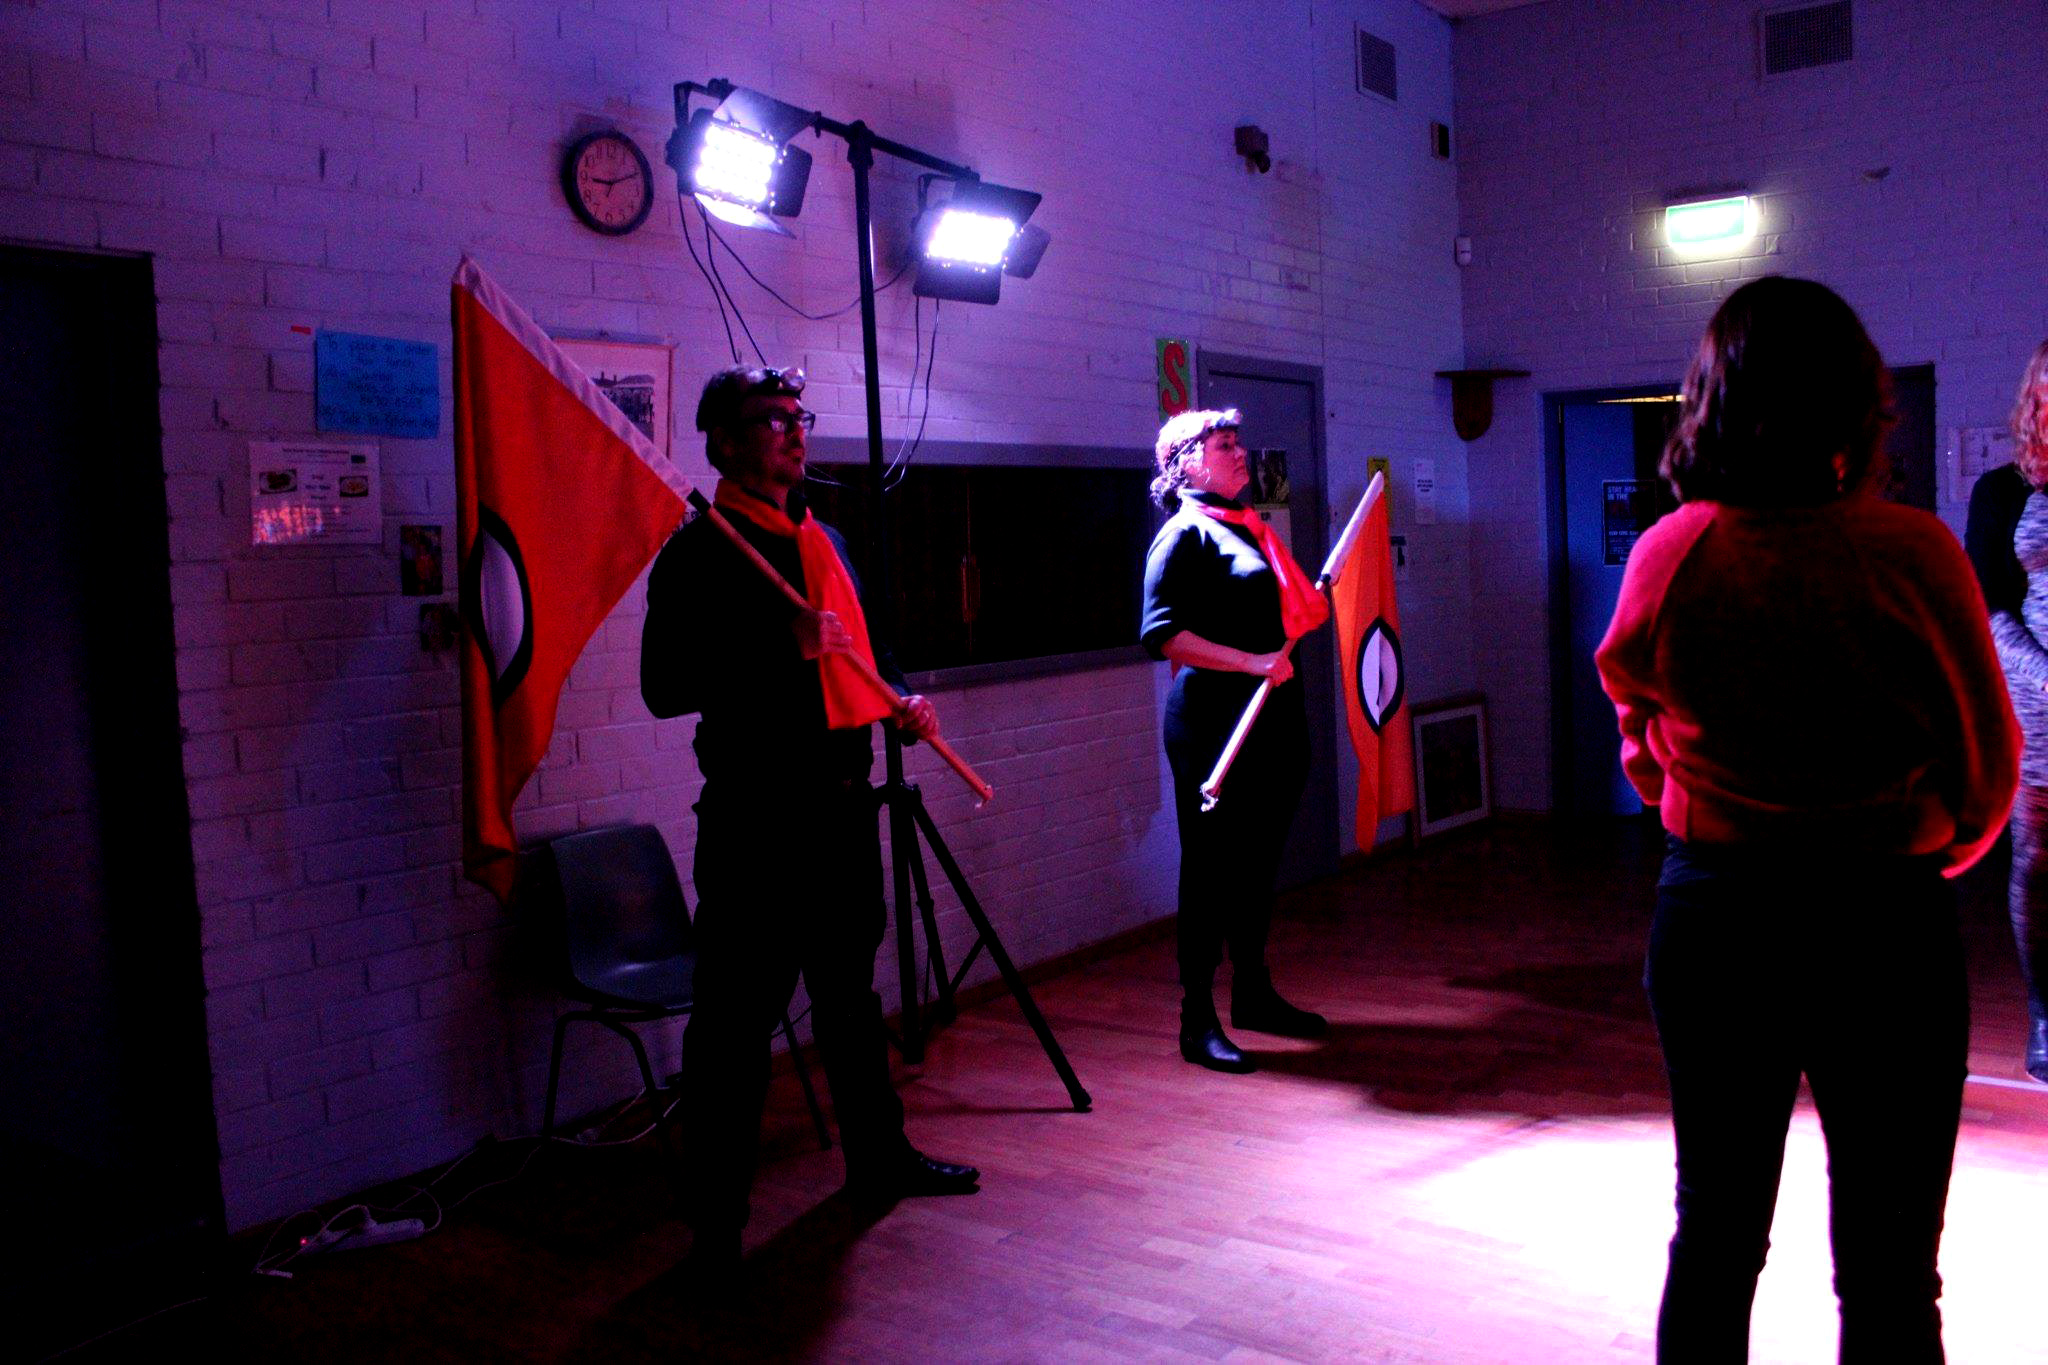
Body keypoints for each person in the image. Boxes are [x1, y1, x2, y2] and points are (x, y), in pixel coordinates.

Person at [1595, 277, 2020, 1363]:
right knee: (1890, 1269)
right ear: (1854, 398)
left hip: (1715, 918)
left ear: (1713, 396)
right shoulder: (1913, 550)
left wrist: (1697, 805)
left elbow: (1635, 721)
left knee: (1714, 1235)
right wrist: (1926, 849)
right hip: (1884, 926)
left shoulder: (1671, 550)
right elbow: (1987, 761)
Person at [640, 365, 979, 1278]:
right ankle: (716, 1229)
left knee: (850, 1001)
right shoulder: (701, 551)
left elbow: (864, 653)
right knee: (734, 1028)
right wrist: (773, 646)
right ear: (723, 442)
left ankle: (879, 1160)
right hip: (756, 820)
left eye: (799, 416)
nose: (794, 431)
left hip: (840, 807)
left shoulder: (825, 540)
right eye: (771, 418)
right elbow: (663, 685)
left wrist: (899, 700)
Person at [1140, 407, 1333, 1074]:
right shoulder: (1182, 536)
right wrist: (1252, 663)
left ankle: (1253, 991)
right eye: (1224, 445)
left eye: (1238, 441)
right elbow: (1164, 636)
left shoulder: (1249, 527)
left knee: (1256, 863)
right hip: (1213, 725)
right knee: (1210, 869)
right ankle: (1197, 1017)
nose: (1240, 452)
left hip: (1271, 720)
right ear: (1186, 464)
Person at [1963, 338, 2048, 1084]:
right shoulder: (2003, 491)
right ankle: (2046, 1015)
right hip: (2039, 704)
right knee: (2040, 860)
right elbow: (1986, 604)